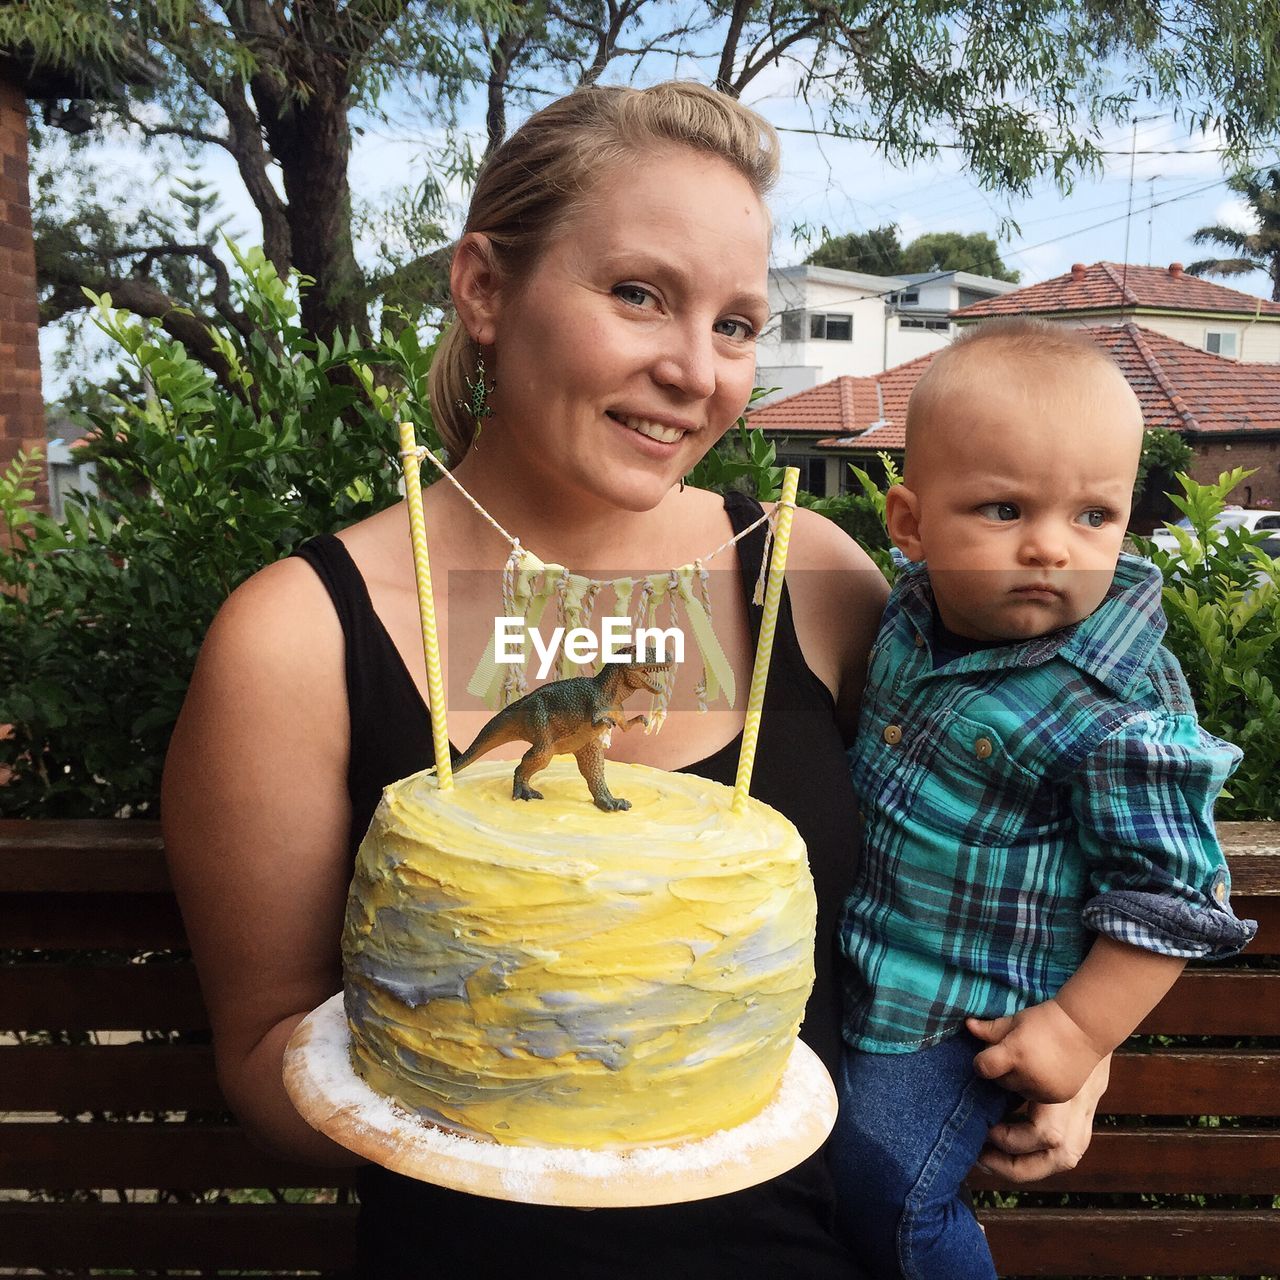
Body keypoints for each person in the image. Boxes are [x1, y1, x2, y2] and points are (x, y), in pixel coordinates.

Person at [162, 85, 1109, 1278]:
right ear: (484, 287)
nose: (693, 370)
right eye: (638, 295)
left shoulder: (807, 577)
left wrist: (1070, 1035)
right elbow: (263, 1059)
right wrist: (559, 1089)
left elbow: (997, 836)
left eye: (735, 324)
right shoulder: (295, 638)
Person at [829, 319, 1257, 1280]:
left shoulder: (1117, 708)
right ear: (909, 524)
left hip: (966, 1019)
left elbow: (1173, 892)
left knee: (886, 1186)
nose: (1051, 549)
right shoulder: (907, 613)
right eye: (1003, 509)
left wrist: (1077, 1034)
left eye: (1093, 517)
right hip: (866, 970)